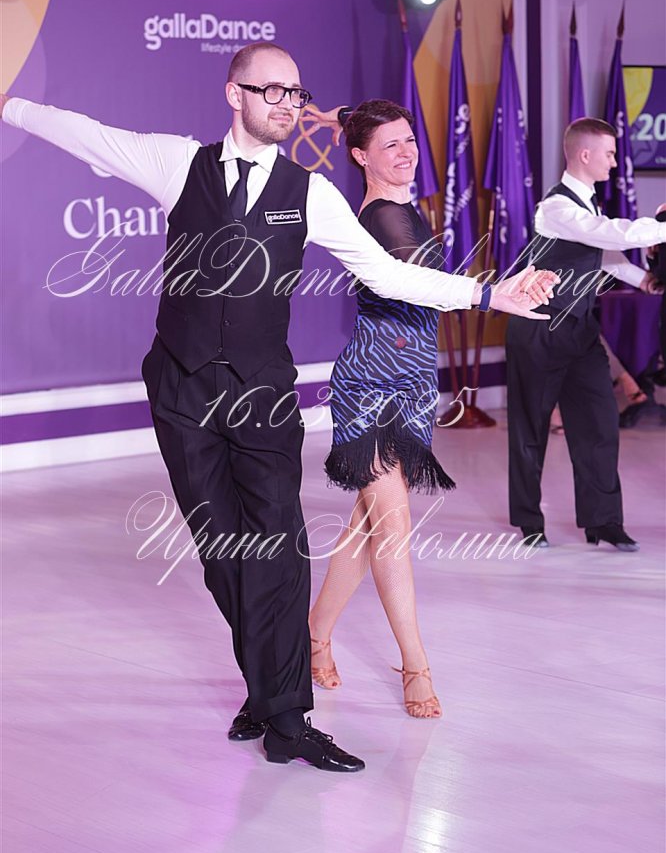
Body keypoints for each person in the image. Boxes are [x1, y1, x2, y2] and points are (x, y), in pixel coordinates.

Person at [1, 42, 556, 772]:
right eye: (272, 91)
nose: (288, 105)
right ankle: (267, 688)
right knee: (221, 553)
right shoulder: (179, 164)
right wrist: (11, 105)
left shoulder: (311, 192)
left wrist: (488, 293)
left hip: (262, 393)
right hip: (182, 388)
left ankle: (288, 719)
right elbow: (85, 134)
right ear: (235, 94)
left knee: (280, 550)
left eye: (296, 93)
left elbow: (388, 273)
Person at [305, 100, 453, 718]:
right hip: (372, 385)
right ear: (361, 157)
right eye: (389, 145)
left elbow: (370, 124)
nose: (406, 151)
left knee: (367, 525)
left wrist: (341, 114)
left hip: (413, 382)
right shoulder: (387, 217)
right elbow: (426, 289)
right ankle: (416, 666)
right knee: (392, 527)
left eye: (409, 139)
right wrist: (497, 292)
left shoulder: (399, 204)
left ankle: (313, 637)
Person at [505, 117, 666, 551]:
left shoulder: (587, 207)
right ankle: (529, 522)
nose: (614, 162)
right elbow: (606, 233)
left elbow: (606, 256)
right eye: (610, 154)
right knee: (530, 428)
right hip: (538, 328)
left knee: (599, 422)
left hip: (579, 330)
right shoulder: (556, 208)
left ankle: (604, 522)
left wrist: (646, 281)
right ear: (585, 154)